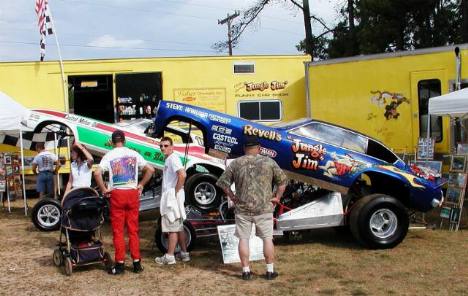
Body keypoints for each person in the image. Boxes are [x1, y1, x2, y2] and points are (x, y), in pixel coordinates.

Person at [216, 135, 287, 281]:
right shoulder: (269, 162)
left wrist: (232, 196)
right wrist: (277, 198)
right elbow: (283, 182)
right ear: (259, 148)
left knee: (243, 239)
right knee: (267, 238)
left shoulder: (236, 163)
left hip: (242, 208)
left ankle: (246, 271)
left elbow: (223, 183)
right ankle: (269, 271)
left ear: (244, 149)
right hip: (264, 208)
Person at [94, 130, 154, 275]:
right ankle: (137, 263)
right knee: (133, 230)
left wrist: (103, 189)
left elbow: (97, 173)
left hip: (117, 194)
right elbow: (150, 169)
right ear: (125, 141)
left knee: (118, 231)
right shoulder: (133, 153)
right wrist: (141, 184)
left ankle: (120, 264)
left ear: (112, 142)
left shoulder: (109, 155)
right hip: (132, 193)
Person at [155, 136, 190, 265]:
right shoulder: (169, 159)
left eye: (166, 145)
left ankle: (169, 256)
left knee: (172, 227)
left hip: (172, 197)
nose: (163, 148)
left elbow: (183, 174)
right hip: (175, 196)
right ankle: (184, 253)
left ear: (172, 147)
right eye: (161, 146)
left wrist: (175, 190)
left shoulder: (172, 158)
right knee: (179, 226)